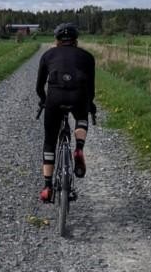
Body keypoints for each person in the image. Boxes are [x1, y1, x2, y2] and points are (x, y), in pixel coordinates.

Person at [36, 22, 96, 202]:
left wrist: (43, 100)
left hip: (54, 98)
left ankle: (47, 186)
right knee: (81, 118)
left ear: (57, 40)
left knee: (49, 141)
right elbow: (91, 88)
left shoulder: (47, 55)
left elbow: (39, 86)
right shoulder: (87, 57)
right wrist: (89, 104)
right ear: (76, 40)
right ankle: (78, 148)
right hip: (78, 96)